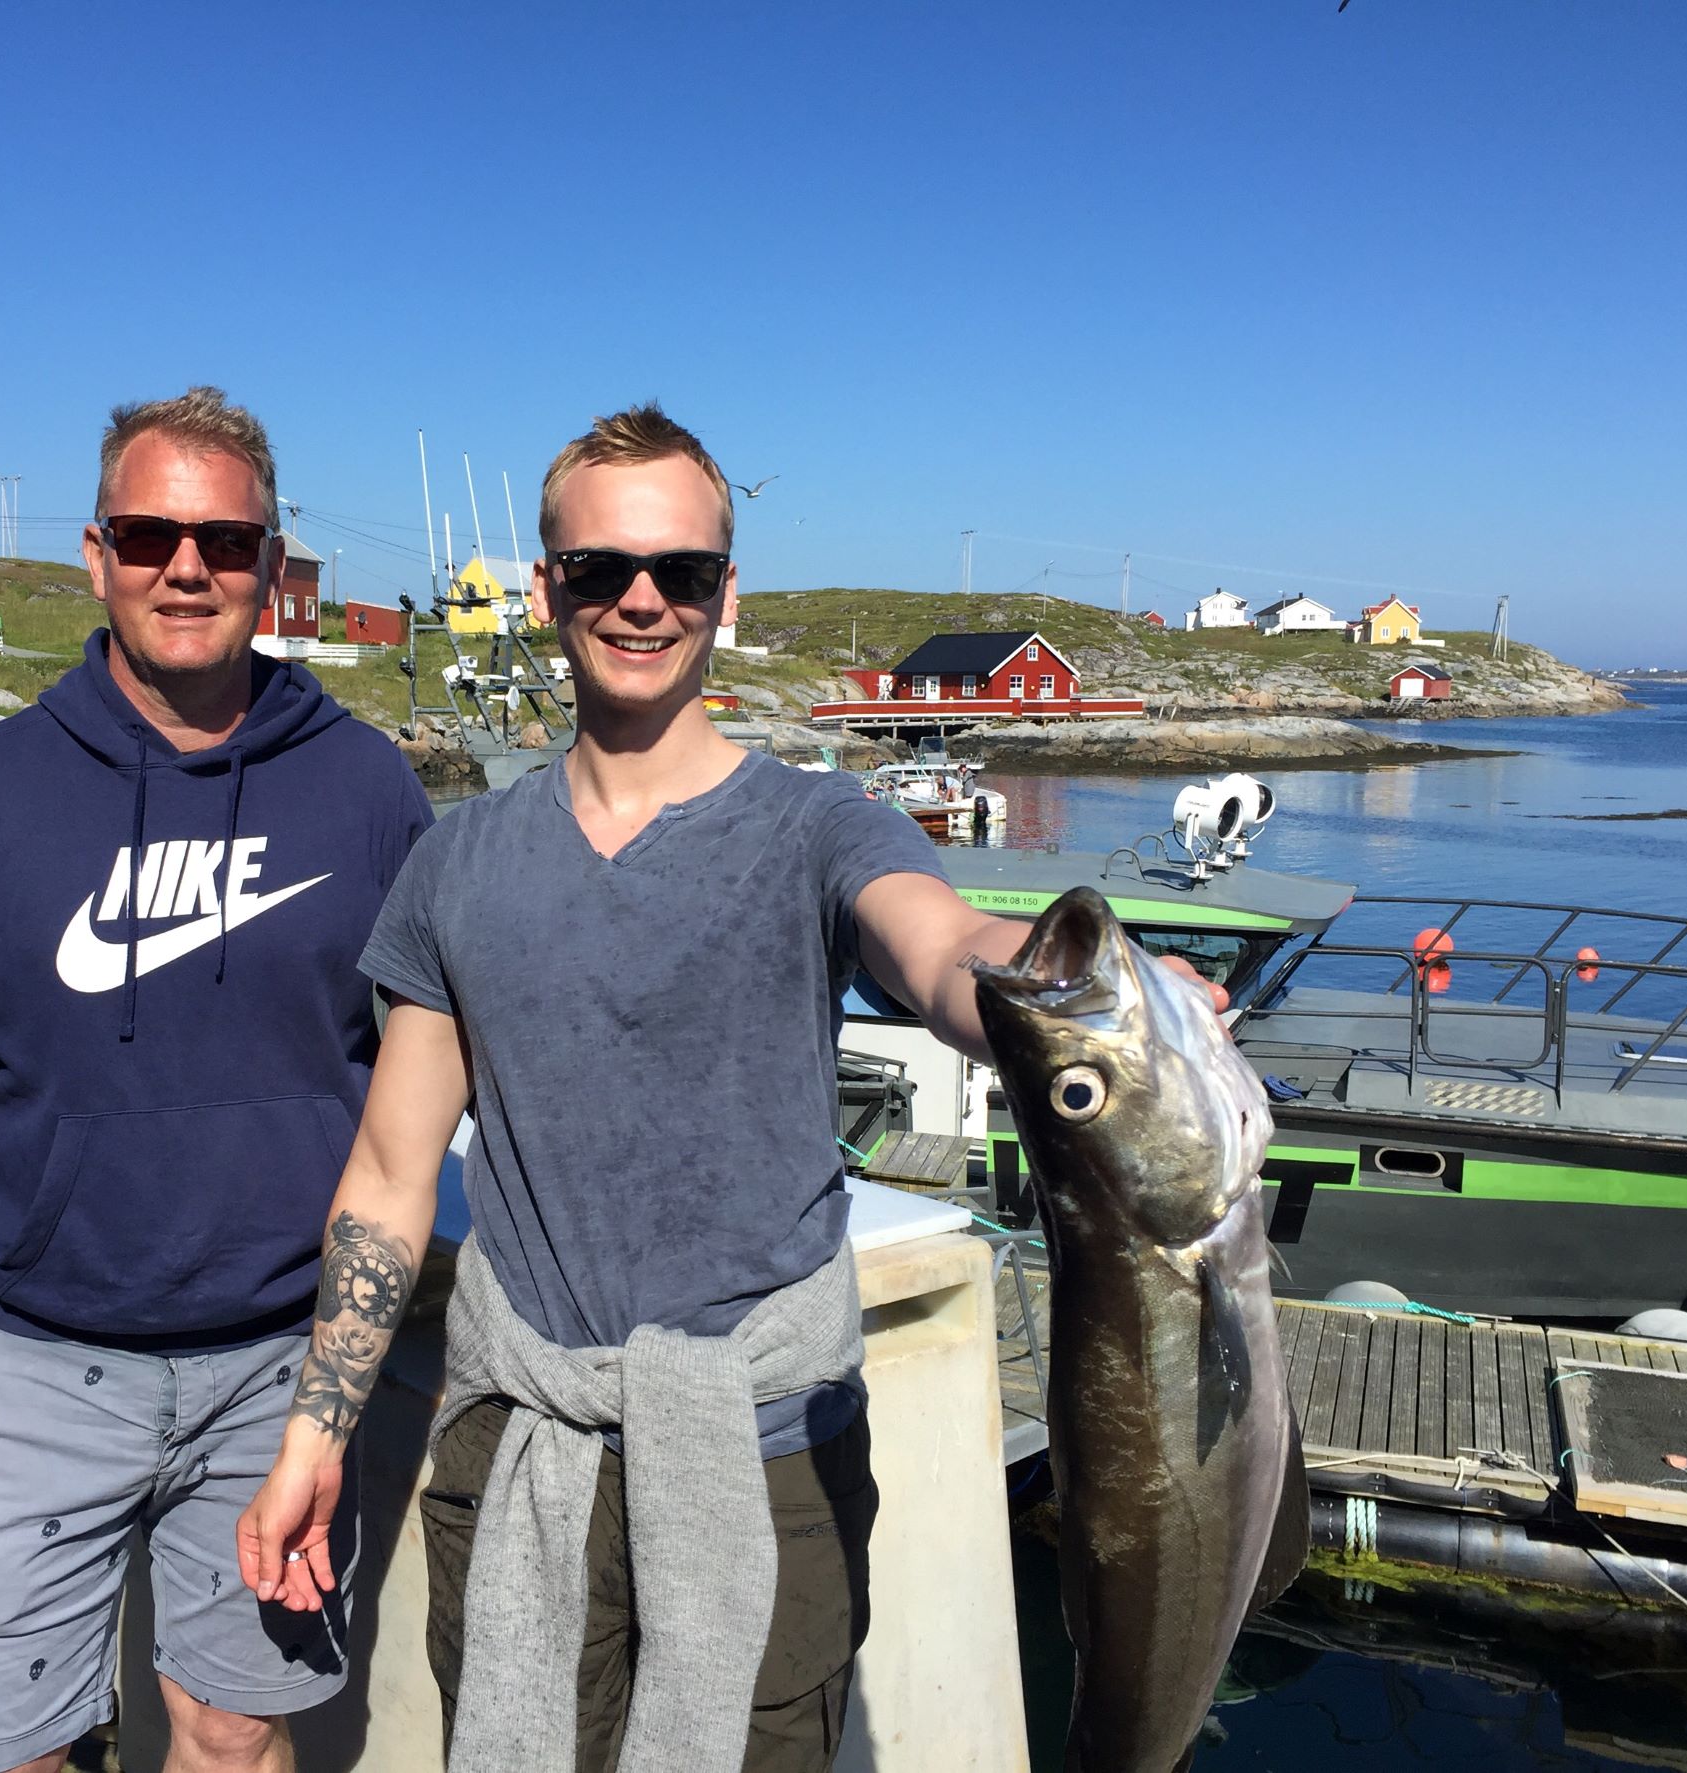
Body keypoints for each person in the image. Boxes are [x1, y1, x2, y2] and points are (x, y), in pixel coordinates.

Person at [236, 405, 1227, 1772]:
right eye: (600, 570)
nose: (640, 599)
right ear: (547, 590)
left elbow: (940, 951)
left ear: (726, 594)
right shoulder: (454, 865)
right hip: (519, 1448)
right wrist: (315, 1436)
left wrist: (1071, 986)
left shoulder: (820, 825)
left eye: (680, 572)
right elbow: (395, 1176)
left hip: (771, 1463)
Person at [0, 386, 433, 1773]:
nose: (184, 566)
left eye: (222, 539)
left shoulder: (371, 793)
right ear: (96, 552)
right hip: (30, 1362)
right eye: (148, 533)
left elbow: (443, 1069)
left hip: (280, 1369)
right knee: (5, 1748)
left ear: (271, 564)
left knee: (234, 1732)